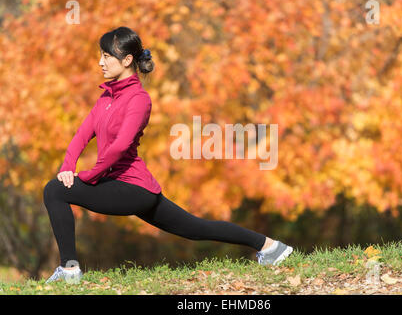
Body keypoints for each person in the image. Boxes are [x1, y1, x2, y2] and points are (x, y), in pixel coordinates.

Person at [43, 26, 293, 284]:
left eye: (107, 56)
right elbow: (82, 134)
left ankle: (70, 270)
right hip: (122, 185)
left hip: (133, 189)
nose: (100, 62)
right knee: (196, 228)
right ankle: (270, 247)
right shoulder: (106, 97)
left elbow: (119, 147)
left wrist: (87, 176)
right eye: (101, 55)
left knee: (55, 191)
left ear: (127, 60)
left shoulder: (139, 100)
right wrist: (67, 166)